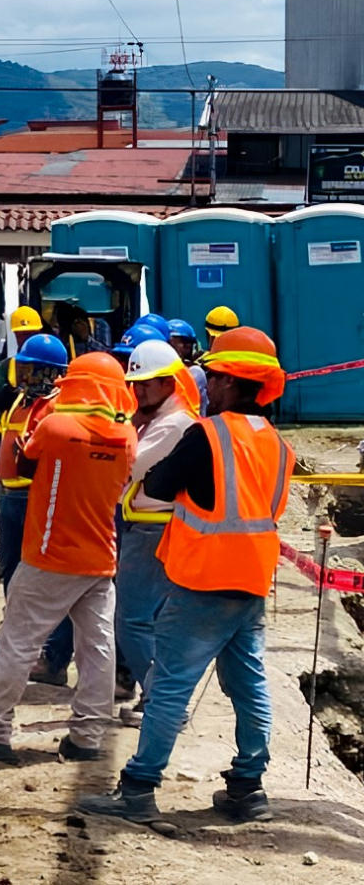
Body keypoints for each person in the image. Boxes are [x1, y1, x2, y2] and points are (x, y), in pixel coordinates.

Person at [81, 327, 293, 825]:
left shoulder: (208, 434)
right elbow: (271, 508)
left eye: (214, 377)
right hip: (253, 580)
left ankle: (138, 786)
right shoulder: (278, 445)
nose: (206, 386)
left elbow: (159, 482)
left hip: (203, 578)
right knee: (248, 684)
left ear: (232, 382)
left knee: (170, 685)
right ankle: (248, 786)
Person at [0, 353, 136, 765]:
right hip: (100, 558)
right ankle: (87, 737)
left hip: (50, 554)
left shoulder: (56, 425)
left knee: (18, 644)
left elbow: (16, 468)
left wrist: (21, 412)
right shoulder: (127, 435)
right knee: (97, 650)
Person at [115, 340, 201, 726]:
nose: (139, 390)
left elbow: (128, 464)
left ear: (169, 384)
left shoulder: (175, 424)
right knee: (149, 622)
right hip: (147, 526)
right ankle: (162, 700)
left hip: (152, 528)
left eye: (147, 383)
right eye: (135, 383)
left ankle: (161, 702)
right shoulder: (152, 421)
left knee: (132, 620)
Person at [0, 335, 67, 583]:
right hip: (10, 495)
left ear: (49, 372)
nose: (24, 376)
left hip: (33, 496)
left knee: (32, 569)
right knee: (11, 566)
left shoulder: (56, 405)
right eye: (23, 369)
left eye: (30, 369)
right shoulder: (21, 399)